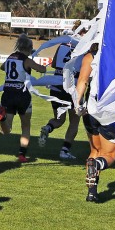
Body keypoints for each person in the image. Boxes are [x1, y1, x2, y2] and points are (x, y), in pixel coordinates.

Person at [74, 41, 115, 203]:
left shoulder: (89, 56)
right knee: (109, 155)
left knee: (94, 151)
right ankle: (99, 165)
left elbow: (82, 81)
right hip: (110, 110)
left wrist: (77, 103)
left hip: (91, 109)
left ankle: (92, 193)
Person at [0, 34, 43, 163]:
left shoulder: (10, 57)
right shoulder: (26, 60)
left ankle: (3, 118)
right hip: (23, 95)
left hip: (8, 93)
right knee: (26, 126)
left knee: (7, 130)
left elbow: (2, 67)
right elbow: (41, 69)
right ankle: (22, 154)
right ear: (29, 48)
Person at [39, 30, 82, 160]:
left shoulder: (62, 46)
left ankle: (48, 127)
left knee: (59, 119)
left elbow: (53, 64)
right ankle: (64, 151)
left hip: (56, 85)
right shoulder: (82, 47)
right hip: (72, 86)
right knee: (74, 121)